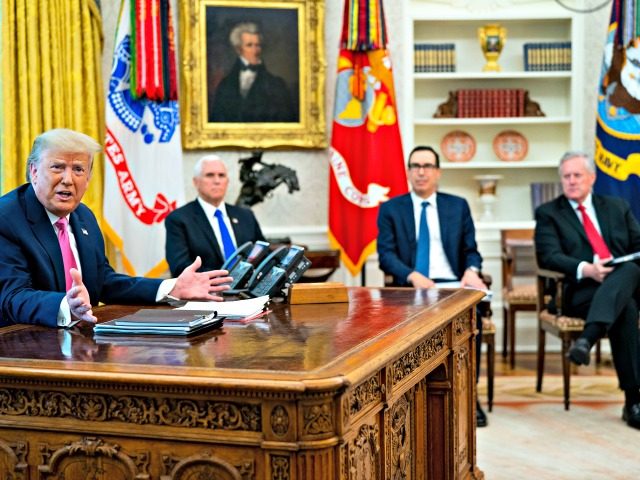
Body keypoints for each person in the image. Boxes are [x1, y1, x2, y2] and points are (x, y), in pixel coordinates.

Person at [0, 128, 232, 328]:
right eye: (57, 167)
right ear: (34, 171)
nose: (68, 180)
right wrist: (64, 305)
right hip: (20, 348)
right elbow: (12, 297)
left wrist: (171, 288)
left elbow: (104, 282)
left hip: (78, 343)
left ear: (88, 177)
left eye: (78, 169)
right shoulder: (7, 218)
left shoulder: (83, 216)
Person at [377, 145, 489, 427]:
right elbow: (386, 256)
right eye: (415, 166)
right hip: (412, 289)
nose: (421, 172)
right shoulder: (392, 209)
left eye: (427, 166)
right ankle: (409, 396)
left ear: (437, 172)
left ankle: (470, 396)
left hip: (453, 287)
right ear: (408, 172)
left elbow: (471, 251)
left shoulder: (457, 205)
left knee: (472, 323)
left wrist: (471, 271)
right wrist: (413, 276)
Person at [535, 151, 640, 430]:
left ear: (591, 178)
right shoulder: (548, 213)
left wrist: (619, 266)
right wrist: (586, 268)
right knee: (626, 308)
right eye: (566, 176)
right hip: (582, 291)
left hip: (623, 281)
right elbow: (549, 256)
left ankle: (587, 338)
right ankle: (634, 402)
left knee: (629, 270)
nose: (571, 181)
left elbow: (638, 246)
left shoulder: (617, 206)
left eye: (577, 175)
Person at [165, 155, 265, 277]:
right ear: (196, 182)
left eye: (221, 175)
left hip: (250, 289)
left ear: (227, 182)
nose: (217, 181)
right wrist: (225, 278)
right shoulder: (179, 219)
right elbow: (180, 268)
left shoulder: (245, 215)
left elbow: (263, 253)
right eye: (210, 175)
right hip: (207, 292)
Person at [209, 22, 296, 123]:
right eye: (249, 45)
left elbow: (286, 122)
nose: (255, 50)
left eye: (258, 45)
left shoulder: (276, 85)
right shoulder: (225, 85)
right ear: (238, 49)